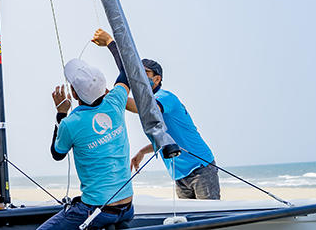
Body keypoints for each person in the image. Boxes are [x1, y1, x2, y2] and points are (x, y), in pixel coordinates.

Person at [92, 29, 220, 200]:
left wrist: (110, 43)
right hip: (179, 174)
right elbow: (164, 137)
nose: (139, 76)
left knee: (207, 214)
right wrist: (142, 151)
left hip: (200, 168)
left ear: (157, 79)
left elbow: (144, 108)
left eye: (144, 73)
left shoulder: (165, 97)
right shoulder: (151, 100)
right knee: (189, 216)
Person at [40, 53, 134, 230]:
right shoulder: (116, 100)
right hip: (127, 207)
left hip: (96, 211)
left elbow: (57, 154)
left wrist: (61, 113)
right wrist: (110, 43)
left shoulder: (70, 123)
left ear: (74, 94)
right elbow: (126, 69)